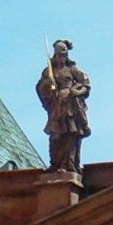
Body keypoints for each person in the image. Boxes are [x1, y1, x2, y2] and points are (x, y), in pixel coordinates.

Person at [34, 39, 91, 173]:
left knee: (71, 134)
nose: (62, 58)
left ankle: (67, 165)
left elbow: (86, 84)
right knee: (55, 136)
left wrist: (76, 91)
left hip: (70, 107)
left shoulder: (72, 69)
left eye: (64, 55)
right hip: (56, 107)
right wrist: (48, 84)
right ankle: (55, 163)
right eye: (59, 55)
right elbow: (40, 87)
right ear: (55, 54)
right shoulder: (49, 70)